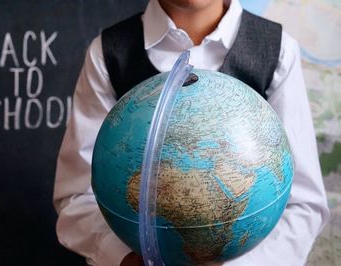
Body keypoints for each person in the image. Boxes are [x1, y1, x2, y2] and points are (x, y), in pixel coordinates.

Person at [53, 0, 330, 265]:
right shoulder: (109, 52)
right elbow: (77, 196)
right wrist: (125, 259)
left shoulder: (276, 50)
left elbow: (305, 203)